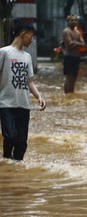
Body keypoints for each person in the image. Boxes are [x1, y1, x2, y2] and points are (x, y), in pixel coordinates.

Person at [0, 20, 46, 161]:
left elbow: (29, 81)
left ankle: (14, 170)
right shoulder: (4, 52)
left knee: (21, 143)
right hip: (6, 103)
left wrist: (39, 96)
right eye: (31, 36)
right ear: (23, 34)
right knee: (10, 136)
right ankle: (6, 159)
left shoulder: (27, 57)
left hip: (23, 105)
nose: (32, 40)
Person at [62, 14, 85, 93]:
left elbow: (83, 44)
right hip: (69, 56)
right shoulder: (66, 31)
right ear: (68, 22)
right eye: (71, 20)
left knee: (74, 77)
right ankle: (66, 94)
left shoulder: (77, 32)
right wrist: (78, 43)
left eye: (75, 20)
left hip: (76, 57)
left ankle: (71, 93)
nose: (74, 21)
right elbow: (70, 44)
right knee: (69, 77)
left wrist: (75, 43)